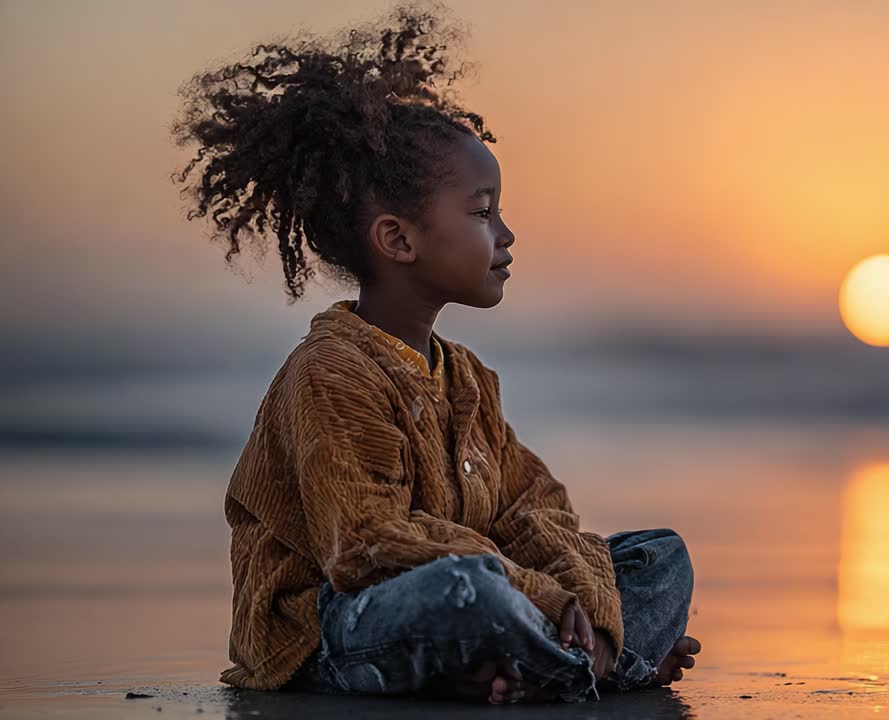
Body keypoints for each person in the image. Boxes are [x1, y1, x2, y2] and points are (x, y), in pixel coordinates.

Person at [170, 3, 700, 705]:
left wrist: (577, 589)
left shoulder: (469, 379)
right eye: (483, 212)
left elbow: (534, 507)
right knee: (463, 591)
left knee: (657, 558)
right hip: (331, 632)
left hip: (496, 603)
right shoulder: (330, 374)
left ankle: (550, 661)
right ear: (398, 240)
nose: (506, 234)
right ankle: (591, 664)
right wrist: (539, 592)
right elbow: (366, 544)